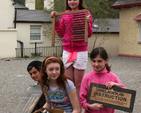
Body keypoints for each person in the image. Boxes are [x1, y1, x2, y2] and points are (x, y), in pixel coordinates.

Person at [50, 0, 93, 101]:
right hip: (67, 51)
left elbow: (89, 34)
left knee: (78, 83)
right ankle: (70, 106)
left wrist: (88, 23)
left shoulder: (86, 13)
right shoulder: (64, 14)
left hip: (80, 51)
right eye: (70, 0)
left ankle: (78, 107)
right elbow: (61, 33)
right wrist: (56, 20)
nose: (72, 2)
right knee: (69, 82)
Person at [79, 47, 126, 113]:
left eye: (99, 61)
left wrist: (118, 86)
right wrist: (89, 106)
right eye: (94, 61)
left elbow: (127, 97)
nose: (96, 64)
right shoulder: (86, 78)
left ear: (106, 60)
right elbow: (81, 99)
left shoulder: (112, 77)